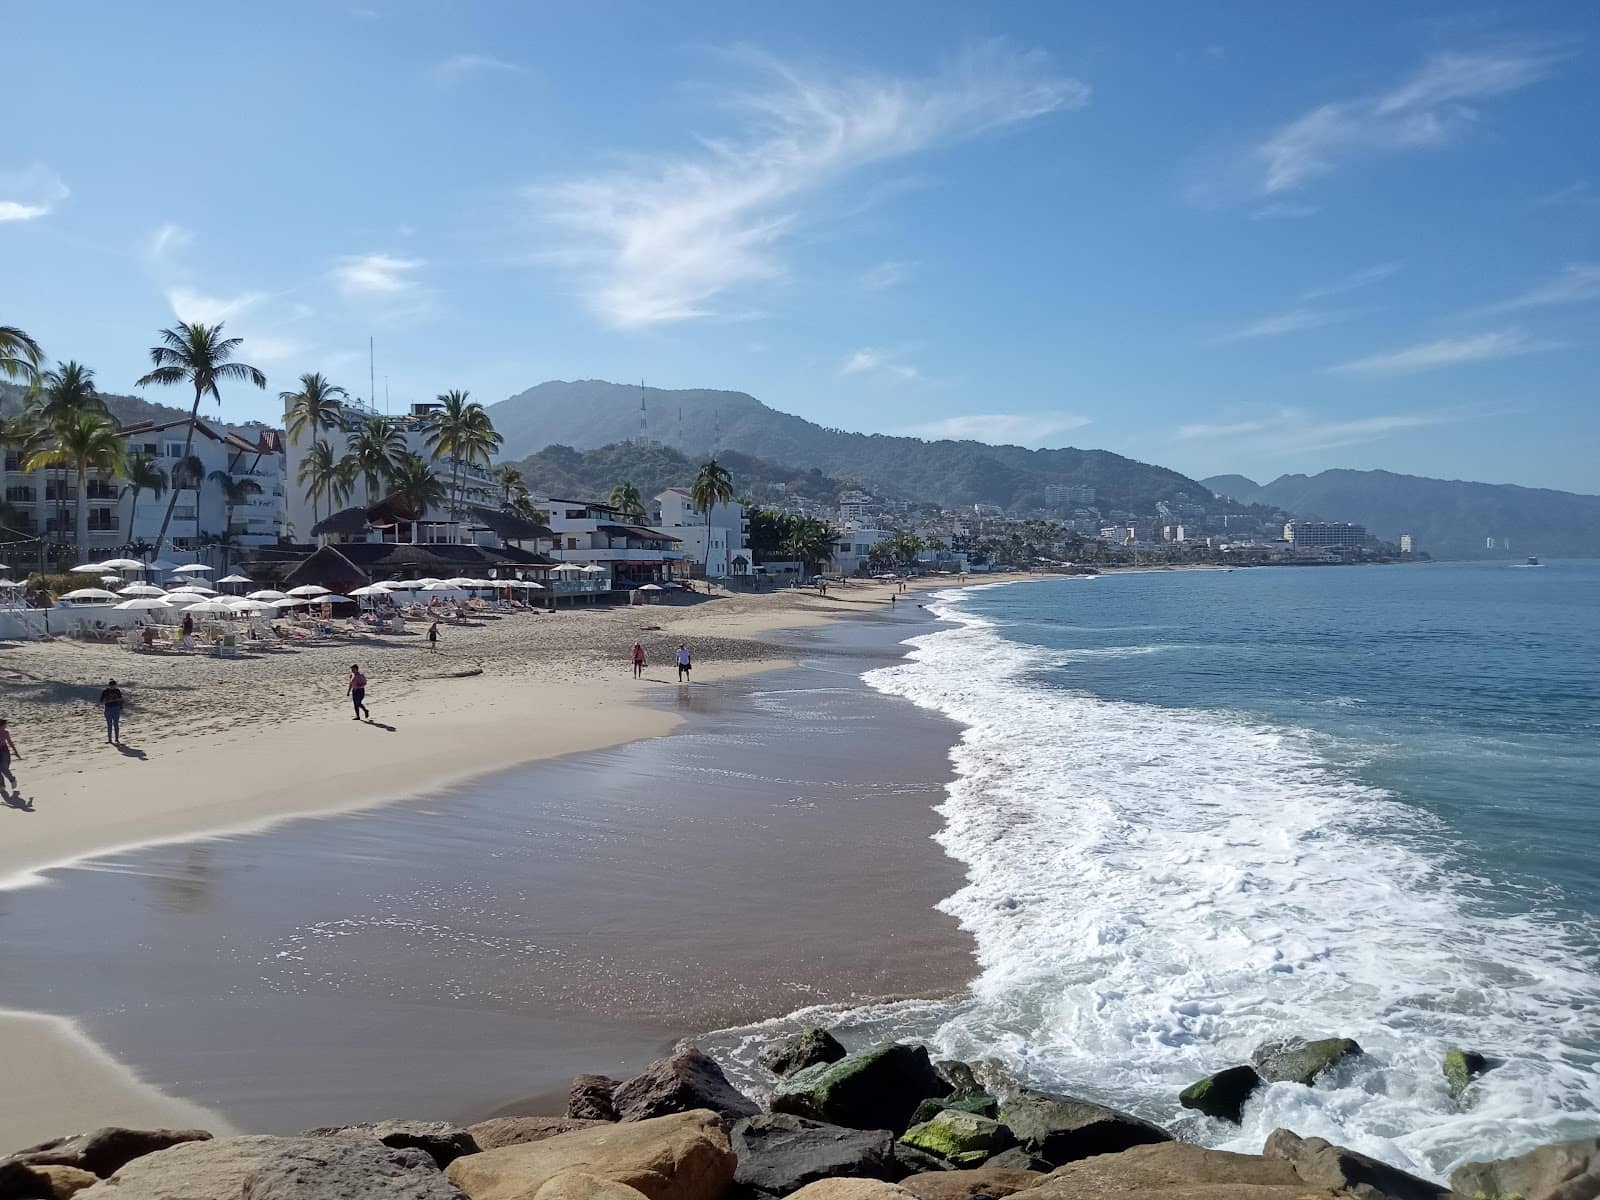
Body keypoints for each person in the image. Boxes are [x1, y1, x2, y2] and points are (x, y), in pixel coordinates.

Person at [99, 679, 124, 745]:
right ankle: (109, 739)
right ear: (109, 685)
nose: (113, 687)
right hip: (108, 709)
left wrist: (120, 705)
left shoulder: (117, 691)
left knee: (116, 724)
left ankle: (116, 739)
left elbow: (120, 699)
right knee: (109, 725)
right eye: (112, 686)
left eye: (114, 685)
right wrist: (108, 700)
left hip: (116, 708)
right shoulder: (105, 691)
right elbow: (101, 700)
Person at [0, 718, 19, 790]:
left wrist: (15, 752)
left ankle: (12, 779)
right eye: (4, 725)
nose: (5, 726)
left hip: (4, 750)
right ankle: (1, 785)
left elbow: (10, 742)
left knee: (4, 768)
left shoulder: (5, 732)